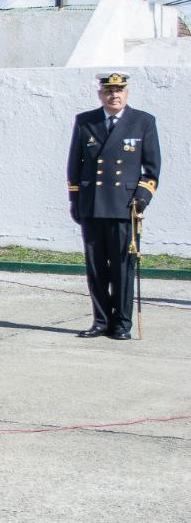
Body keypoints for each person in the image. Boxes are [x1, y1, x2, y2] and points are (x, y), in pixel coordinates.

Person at [67, 72, 161, 341]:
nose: (114, 95)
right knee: (96, 269)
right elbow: (75, 163)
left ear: (126, 93)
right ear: (101, 95)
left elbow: (152, 169)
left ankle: (121, 323)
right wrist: (75, 198)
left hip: (124, 207)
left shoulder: (142, 122)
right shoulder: (86, 121)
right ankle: (100, 320)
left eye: (119, 90)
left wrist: (142, 196)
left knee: (122, 269)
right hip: (93, 205)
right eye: (108, 91)